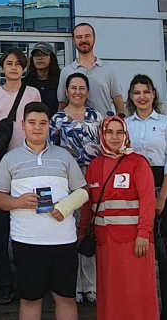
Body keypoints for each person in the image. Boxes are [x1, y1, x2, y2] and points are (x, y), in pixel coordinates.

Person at [0, 102, 88, 320]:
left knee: (66, 298)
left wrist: (66, 206)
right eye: (32, 122)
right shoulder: (10, 159)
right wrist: (17, 202)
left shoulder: (64, 156)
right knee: (30, 299)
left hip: (63, 241)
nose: (37, 127)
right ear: (23, 125)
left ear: (49, 126)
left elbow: (83, 191)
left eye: (43, 123)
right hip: (27, 242)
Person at [82, 116, 158, 320]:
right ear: (102, 135)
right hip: (105, 244)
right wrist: (81, 235)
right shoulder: (95, 166)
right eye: (109, 132)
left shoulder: (138, 163)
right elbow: (88, 206)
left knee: (137, 294)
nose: (114, 137)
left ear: (126, 135)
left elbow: (148, 200)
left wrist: (144, 233)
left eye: (119, 132)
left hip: (135, 243)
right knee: (111, 296)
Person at [0, 49, 41, 306]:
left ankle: (29, 282)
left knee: (30, 218)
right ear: (2, 67)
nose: (14, 67)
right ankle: (5, 283)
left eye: (19, 64)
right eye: (9, 63)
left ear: (24, 68)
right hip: (1, 163)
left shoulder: (33, 93)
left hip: (28, 161)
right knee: (1, 224)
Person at [125, 75, 167, 320]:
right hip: (134, 190)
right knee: (137, 255)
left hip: (164, 188)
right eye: (137, 92)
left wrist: (161, 199)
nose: (142, 97)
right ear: (131, 97)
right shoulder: (125, 124)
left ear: (154, 94)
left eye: (146, 92)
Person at [51, 72, 102, 304]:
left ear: (87, 92)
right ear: (67, 91)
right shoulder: (57, 119)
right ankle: (75, 286)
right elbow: (52, 151)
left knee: (89, 231)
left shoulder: (97, 117)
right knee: (71, 233)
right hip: (68, 183)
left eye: (82, 88)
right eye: (73, 88)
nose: (78, 92)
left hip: (93, 181)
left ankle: (90, 286)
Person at [56, 23, 126, 116]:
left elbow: (119, 105)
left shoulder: (108, 69)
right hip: (75, 124)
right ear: (73, 40)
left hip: (103, 124)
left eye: (87, 36)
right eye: (79, 37)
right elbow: (62, 105)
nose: (83, 40)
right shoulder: (66, 72)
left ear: (94, 38)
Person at [27, 44, 62, 112]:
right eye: (36, 55)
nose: (39, 58)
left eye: (44, 55)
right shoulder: (26, 82)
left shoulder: (60, 81)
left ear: (51, 58)